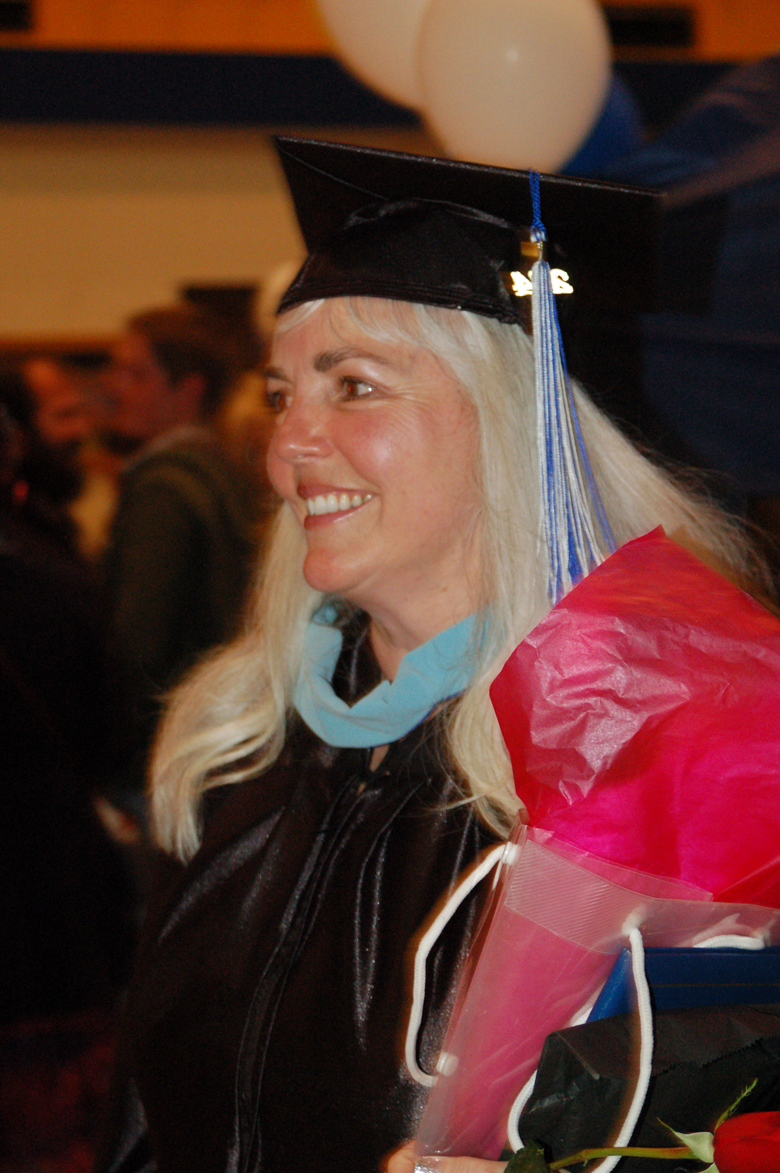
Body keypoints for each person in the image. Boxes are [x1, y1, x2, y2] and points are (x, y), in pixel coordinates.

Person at [95, 139, 765, 1173]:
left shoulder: (655, 774)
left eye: (354, 387)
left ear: (511, 420)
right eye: (282, 396)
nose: (286, 449)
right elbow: (143, 1123)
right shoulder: (241, 753)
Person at [101, 305, 262, 812]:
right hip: (214, 739)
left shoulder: (164, 489)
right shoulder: (218, 467)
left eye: (136, 373)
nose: (115, 387)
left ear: (189, 390)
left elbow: (139, 642)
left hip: (165, 752)